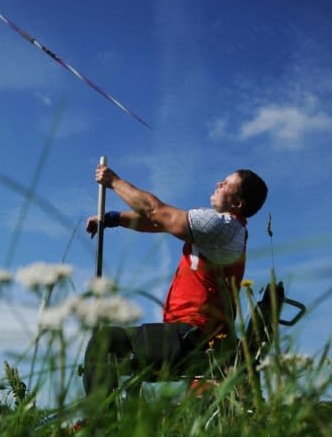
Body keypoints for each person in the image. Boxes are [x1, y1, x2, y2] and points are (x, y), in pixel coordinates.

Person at [82, 163, 268, 399]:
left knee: (105, 341)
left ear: (237, 203)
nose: (218, 184)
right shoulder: (227, 231)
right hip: (190, 335)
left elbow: (155, 211)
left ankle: (98, 426)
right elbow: (158, 222)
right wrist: (113, 218)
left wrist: (113, 181)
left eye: (226, 183)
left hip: (194, 337)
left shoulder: (223, 227)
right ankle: (111, 420)